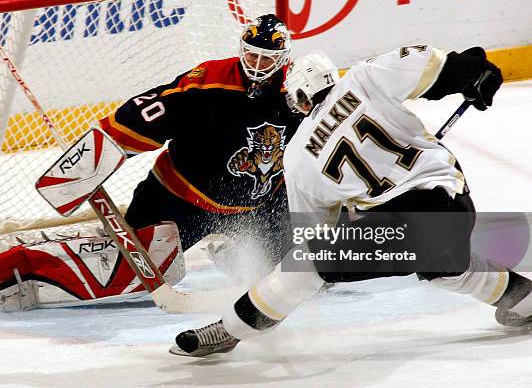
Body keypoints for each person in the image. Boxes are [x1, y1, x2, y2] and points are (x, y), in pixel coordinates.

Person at [170, 45, 532, 357]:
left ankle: (228, 330)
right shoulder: (363, 77)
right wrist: (474, 71)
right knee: (442, 266)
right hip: (454, 203)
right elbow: (436, 66)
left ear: (296, 96)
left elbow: (312, 238)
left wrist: (353, 223)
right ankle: (525, 299)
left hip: (413, 224)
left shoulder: (298, 155)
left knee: (309, 263)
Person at [99, 13, 302, 265]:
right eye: (252, 55)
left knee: (306, 270)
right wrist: (104, 144)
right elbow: (158, 108)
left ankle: (231, 257)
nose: (257, 64)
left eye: (267, 58)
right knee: (131, 270)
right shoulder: (210, 79)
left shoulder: (297, 91)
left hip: (259, 208)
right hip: (181, 200)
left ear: (282, 59)